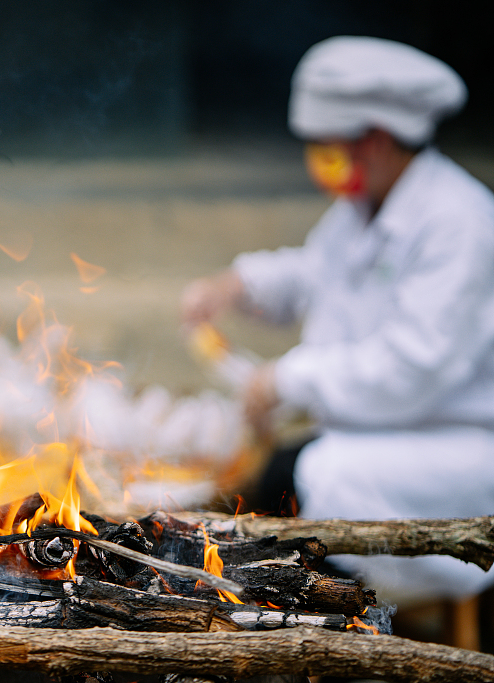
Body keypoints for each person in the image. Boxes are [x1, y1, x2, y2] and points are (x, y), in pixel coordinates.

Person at [181, 36, 494, 604]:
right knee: (277, 476)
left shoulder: (460, 223)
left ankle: (347, 619)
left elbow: (411, 367)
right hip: (392, 428)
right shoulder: (362, 208)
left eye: (326, 148)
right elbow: (316, 276)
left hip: (457, 442)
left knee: (310, 474)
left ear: (374, 140)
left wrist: (286, 380)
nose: (318, 163)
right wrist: (241, 285)